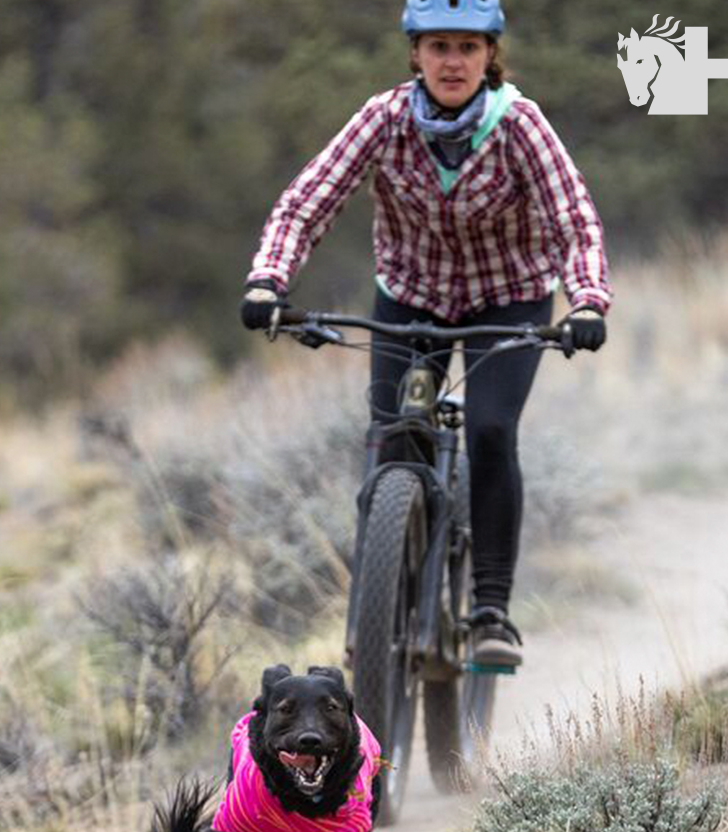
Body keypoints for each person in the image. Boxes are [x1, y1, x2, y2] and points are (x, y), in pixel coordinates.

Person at [241, 0, 611, 668]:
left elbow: (572, 218)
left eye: (468, 47)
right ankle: (384, 602)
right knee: (394, 435)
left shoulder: (519, 124)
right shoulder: (383, 119)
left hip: (509, 300)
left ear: (490, 55)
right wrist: (269, 281)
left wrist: (586, 300)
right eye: (438, 46)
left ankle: (490, 612)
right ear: (415, 53)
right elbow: (307, 202)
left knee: (491, 431)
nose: (453, 62)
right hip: (411, 297)